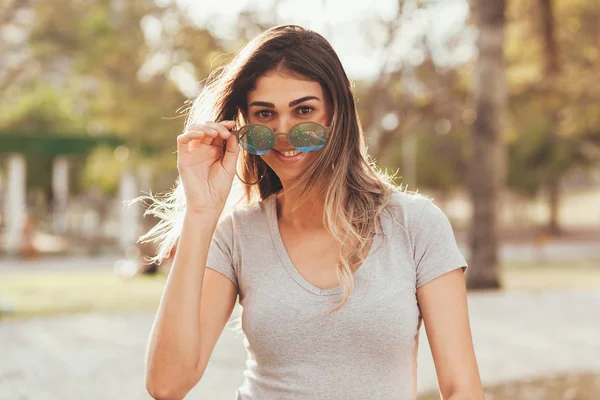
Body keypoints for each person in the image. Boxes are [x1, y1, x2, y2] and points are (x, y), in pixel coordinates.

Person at [143, 24, 484, 400]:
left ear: (335, 115)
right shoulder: (235, 235)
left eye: (303, 110)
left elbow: (461, 389)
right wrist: (200, 212)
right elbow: (166, 385)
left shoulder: (416, 225)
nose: (284, 132)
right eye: (265, 114)